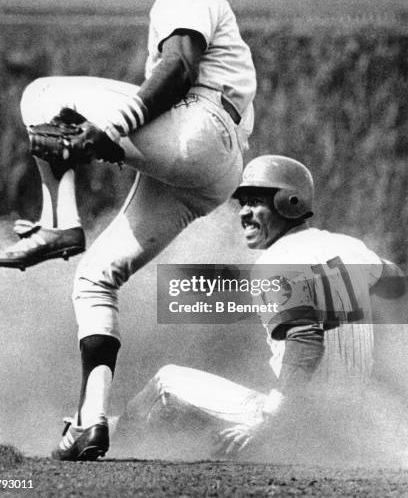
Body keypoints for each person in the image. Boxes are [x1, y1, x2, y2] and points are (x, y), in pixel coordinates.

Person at [0, 0, 256, 461]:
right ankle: (91, 422)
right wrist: (106, 135)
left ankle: (59, 222)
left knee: (42, 95)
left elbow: (180, 65)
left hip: (203, 128)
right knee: (95, 279)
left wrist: (112, 127)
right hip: (211, 169)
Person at [105, 155, 405, 460]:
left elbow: (305, 339)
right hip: (351, 427)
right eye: (243, 203)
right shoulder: (354, 250)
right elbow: (398, 317)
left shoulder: (276, 261)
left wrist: (270, 421)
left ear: (290, 202)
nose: (244, 213)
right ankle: (111, 428)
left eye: (255, 202)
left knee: (166, 383)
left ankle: (103, 442)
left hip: (296, 426)